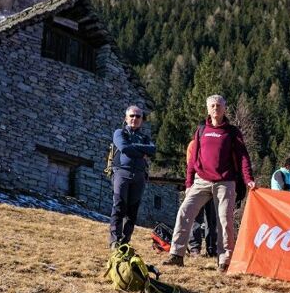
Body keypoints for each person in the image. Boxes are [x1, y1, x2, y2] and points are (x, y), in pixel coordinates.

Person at [164, 94, 256, 270]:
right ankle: (176, 254)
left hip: (225, 182)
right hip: (201, 180)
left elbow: (243, 157)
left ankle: (224, 260)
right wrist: (189, 181)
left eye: (219, 105)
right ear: (207, 109)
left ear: (224, 108)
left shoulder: (232, 132)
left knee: (225, 220)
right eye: (212, 105)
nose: (216, 108)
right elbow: (193, 158)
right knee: (184, 211)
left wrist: (248, 179)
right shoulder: (201, 130)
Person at [109, 104, 156, 247]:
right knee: (119, 207)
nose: (135, 118)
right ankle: (114, 241)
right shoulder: (120, 132)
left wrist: (133, 147)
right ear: (126, 118)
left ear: (142, 120)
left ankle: (125, 242)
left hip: (139, 176)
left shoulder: (144, 137)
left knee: (132, 211)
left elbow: (153, 150)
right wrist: (142, 151)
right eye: (132, 116)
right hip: (121, 172)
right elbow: (123, 148)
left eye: (138, 116)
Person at [185, 138, 217, 257]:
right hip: (196, 183)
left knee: (212, 218)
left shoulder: (214, 144)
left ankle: (211, 248)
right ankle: (195, 248)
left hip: (213, 183)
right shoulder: (193, 145)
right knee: (195, 217)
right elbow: (190, 165)